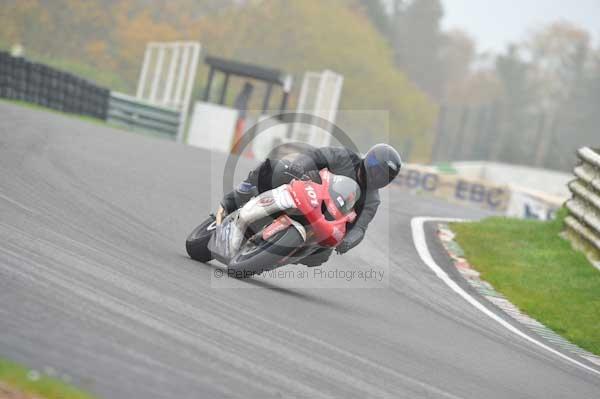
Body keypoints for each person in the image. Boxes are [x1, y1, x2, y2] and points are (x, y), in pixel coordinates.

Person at [217, 143, 402, 266]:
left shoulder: (372, 200)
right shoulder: (345, 157)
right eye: (378, 171)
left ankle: (274, 257)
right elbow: (316, 155)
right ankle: (235, 198)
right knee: (276, 169)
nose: (379, 177)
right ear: (369, 161)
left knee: (322, 256)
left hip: (324, 222)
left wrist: (348, 242)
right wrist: (300, 166)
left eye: (385, 176)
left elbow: (360, 228)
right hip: (306, 190)